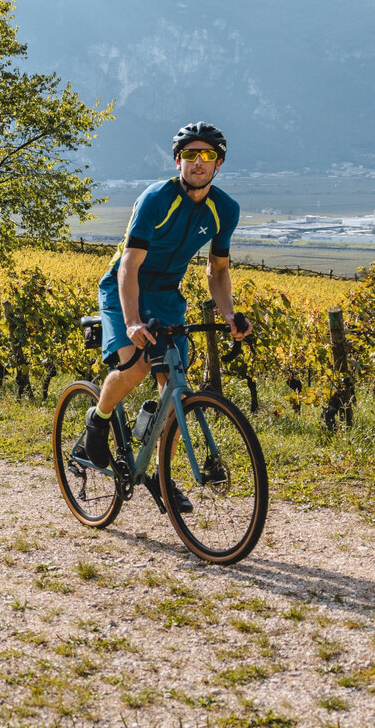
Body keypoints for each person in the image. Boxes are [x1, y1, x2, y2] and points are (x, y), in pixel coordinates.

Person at [83, 122, 253, 510]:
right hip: (123, 288)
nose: (198, 162)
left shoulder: (225, 209)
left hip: (166, 296)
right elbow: (129, 264)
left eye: (207, 155)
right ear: (178, 160)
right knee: (139, 365)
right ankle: (100, 417)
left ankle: (161, 474)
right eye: (190, 154)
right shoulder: (156, 199)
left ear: (219, 164)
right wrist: (131, 322)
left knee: (173, 383)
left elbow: (218, 269)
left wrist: (229, 315)